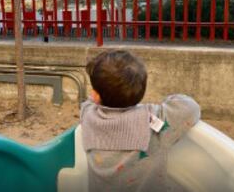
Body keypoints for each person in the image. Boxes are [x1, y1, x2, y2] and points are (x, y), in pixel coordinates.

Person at [81, 50, 201, 192]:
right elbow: (190, 108)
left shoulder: (87, 114)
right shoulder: (152, 120)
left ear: (96, 95)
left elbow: (91, 100)